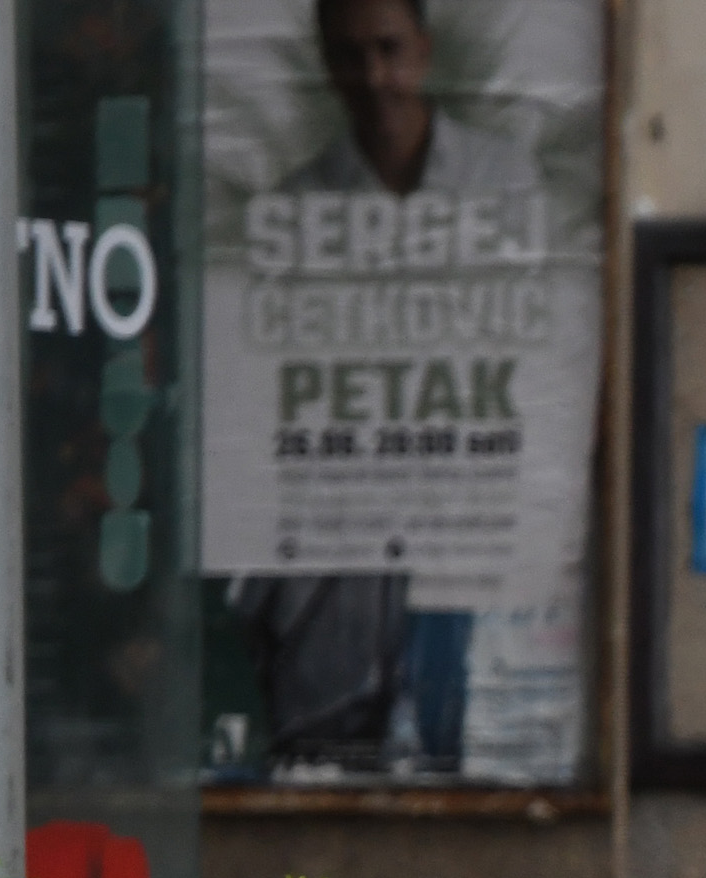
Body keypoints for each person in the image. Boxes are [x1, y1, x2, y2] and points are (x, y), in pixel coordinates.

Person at [232, 0, 537, 773]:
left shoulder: (499, 181)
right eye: (351, 55)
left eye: (390, 49)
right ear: (327, 66)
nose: (375, 77)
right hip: (331, 560)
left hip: (470, 544)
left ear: (424, 52)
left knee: (459, 759)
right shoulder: (299, 206)